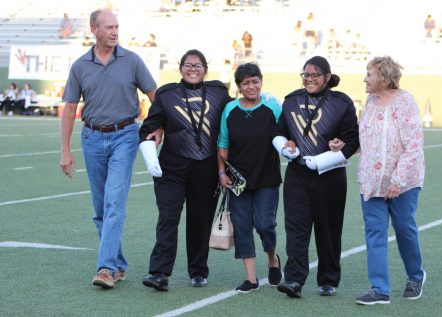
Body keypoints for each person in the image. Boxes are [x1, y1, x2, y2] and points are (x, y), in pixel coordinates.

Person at [60, 8, 158, 289]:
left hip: (125, 136)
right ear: (94, 29)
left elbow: (155, 96)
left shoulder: (133, 60)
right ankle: (118, 264)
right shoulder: (80, 66)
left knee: (114, 202)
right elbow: (69, 109)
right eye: (109, 27)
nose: (115, 32)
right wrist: (65, 150)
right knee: (100, 208)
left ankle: (105, 268)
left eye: (117, 27)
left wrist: (157, 126)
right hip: (91, 138)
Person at [139, 49, 232, 291]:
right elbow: (149, 127)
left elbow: (234, 119)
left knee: (200, 220)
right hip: (172, 167)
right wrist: (150, 152)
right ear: (180, 68)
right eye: (188, 65)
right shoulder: (166, 94)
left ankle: (198, 271)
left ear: (205, 68)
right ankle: (159, 272)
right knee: (168, 218)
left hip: (206, 168)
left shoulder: (219, 92)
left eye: (198, 65)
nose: (193, 69)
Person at [273, 56, 359, 298]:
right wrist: (285, 145)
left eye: (315, 75)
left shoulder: (342, 103)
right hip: (297, 173)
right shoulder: (291, 100)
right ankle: (293, 280)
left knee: (328, 229)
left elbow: (352, 140)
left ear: (327, 77)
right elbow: (279, 132)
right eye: (306, 75)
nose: (309, 79)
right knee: (295, 229)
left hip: (330, 175)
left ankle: (328, 279)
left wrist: (337, 145)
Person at [354, 56, 425, 305]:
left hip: (403, 182)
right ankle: (379, 289)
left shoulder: (405, 102)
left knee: (404, 228)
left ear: (384, 77)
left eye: (369, 74)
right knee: (374, 232)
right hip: (372, 181)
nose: (365, 78)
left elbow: (414, 144)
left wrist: (398, 180)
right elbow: (367, 139)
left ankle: (416, 276)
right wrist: (344, 147)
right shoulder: (371, 102)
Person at [217, 63, 282, 293]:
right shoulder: (230, 110)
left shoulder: (273, 109)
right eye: (246, 83)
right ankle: (251, 279)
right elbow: (223, 144)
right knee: (243, 226)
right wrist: (221, 172)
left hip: (267, 178)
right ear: (239, 87)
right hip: (237, 181)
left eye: (255, 81)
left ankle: (273, 259)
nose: (251, 86)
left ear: (261, 82)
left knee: (265, 225)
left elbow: (286, 137)